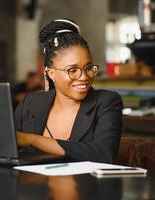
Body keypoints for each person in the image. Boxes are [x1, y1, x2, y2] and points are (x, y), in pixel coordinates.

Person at [14, 19, 123, 163]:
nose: (84, 77)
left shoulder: (106, 102)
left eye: (89, 68)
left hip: (86, 185)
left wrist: (32, 139)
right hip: (32, 184)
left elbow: (104, 154)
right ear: (51, 73)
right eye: (72, 70)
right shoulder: (30, 104)